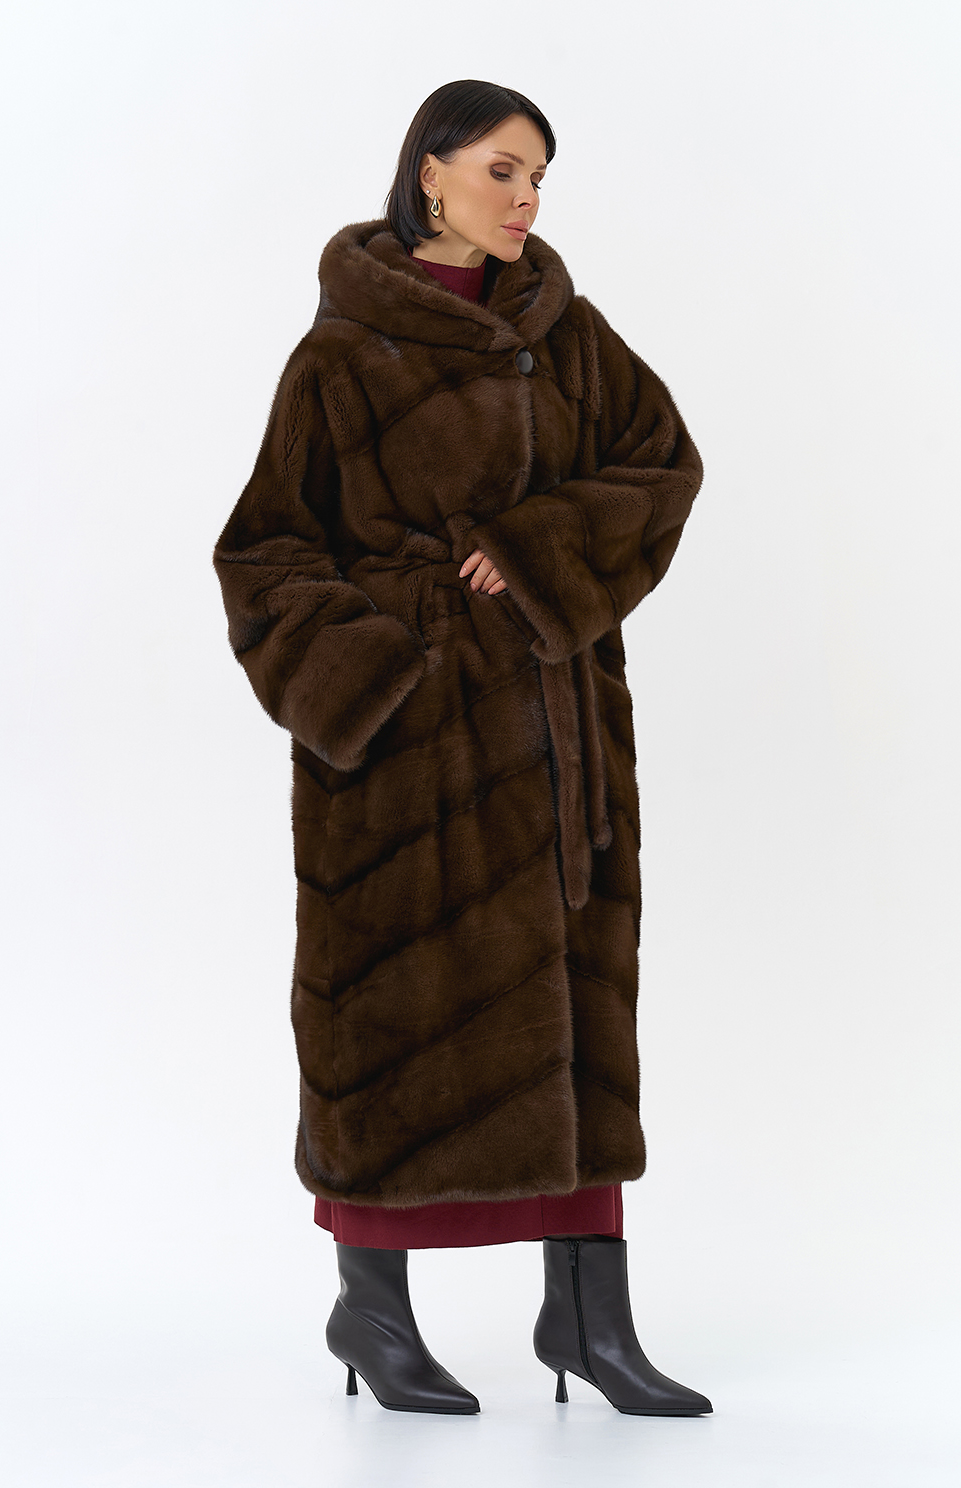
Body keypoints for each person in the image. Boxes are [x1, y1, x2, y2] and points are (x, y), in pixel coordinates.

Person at [213, 78, 711, 1419]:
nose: (526, 198)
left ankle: (588, 1319)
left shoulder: (569, 333)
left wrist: (539, 552)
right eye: (503, 169)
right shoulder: (341, 353)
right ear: (430, 171)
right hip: (408, 755)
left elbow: (664, 466)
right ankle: (373, 1316)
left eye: (539, 176)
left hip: (556, 732)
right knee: (392, 1026)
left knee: (579, 1018)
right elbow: (262, 551)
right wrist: (373, 679)